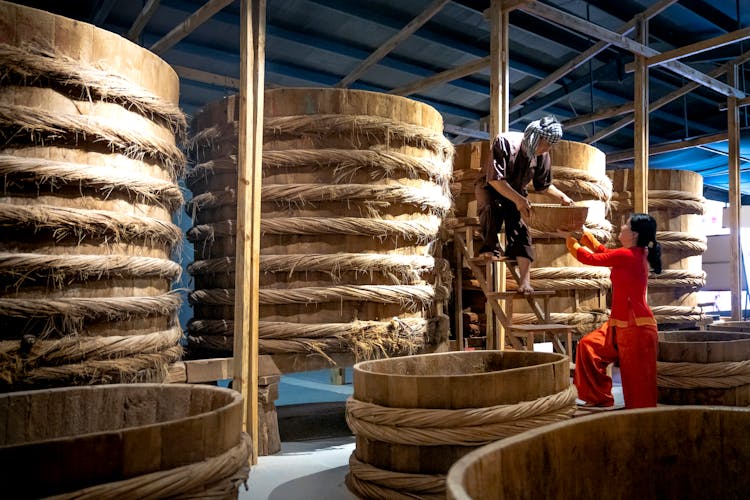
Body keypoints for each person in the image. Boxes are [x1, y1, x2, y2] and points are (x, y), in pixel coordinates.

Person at [566, 213, 663, 409]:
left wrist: (568, 240)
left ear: (634, 234)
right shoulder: (633, 253)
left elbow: (591, 258)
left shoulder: (629, 255)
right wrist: (584, 235)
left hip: (636, 327)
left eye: (626, 225)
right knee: (588, 346)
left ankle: (641, 421)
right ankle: (600, 397)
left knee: (637, 383)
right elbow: (605, 253)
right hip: (620, 323)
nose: (622, 226)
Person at [475, 116, 574, 294]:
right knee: (490, 209)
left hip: (517, 190)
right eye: (545, 144)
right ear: (535, 137)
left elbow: (543, 185)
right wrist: (518, 200)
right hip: (491, 186)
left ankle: (525, 282)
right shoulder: (505, 141)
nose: (547, 149)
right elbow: (496, 179)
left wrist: (562, 197)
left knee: (521, 229)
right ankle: (490, 248)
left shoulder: (542, 155)